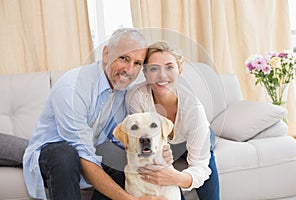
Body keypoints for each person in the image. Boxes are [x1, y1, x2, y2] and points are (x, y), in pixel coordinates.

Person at [23, 28, 169, 200]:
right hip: (54, 158)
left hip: (92, 152)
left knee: (119, 156)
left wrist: (161, 150)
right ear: (106, 53)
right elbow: (84, 155)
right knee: (65, 154)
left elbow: (127, 140)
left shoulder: (125, 92)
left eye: (137, 63)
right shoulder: (72, 89)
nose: (129, 70)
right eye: (123, 58)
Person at [126, 41, 220, 200]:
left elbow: (200, 167)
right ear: (146, 73)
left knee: (206, 156)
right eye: (154, 68)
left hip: (190, 135)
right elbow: (142, 142)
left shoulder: (194, 109)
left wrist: (177, 178)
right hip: (165, 143)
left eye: (169, 67)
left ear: (179, 70)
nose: (162, 75)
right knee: (160, 166)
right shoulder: (137, 98)